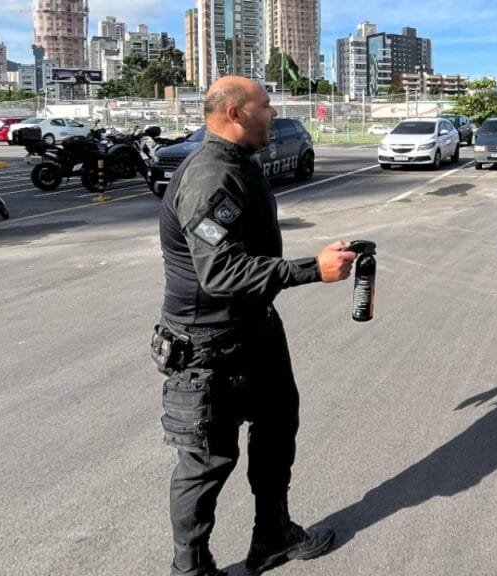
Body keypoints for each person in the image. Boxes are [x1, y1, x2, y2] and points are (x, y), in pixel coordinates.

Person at [152, 76, 357, 576]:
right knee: (206, 463)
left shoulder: (238, 164)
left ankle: (273, 535)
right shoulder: (210, 176)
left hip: (254, 331)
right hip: (208, 345)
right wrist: (314, 269)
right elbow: (220, 272)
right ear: (236, 114)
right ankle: (191, 570)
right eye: (266, 106)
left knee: (276, 427)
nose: (275, 114)